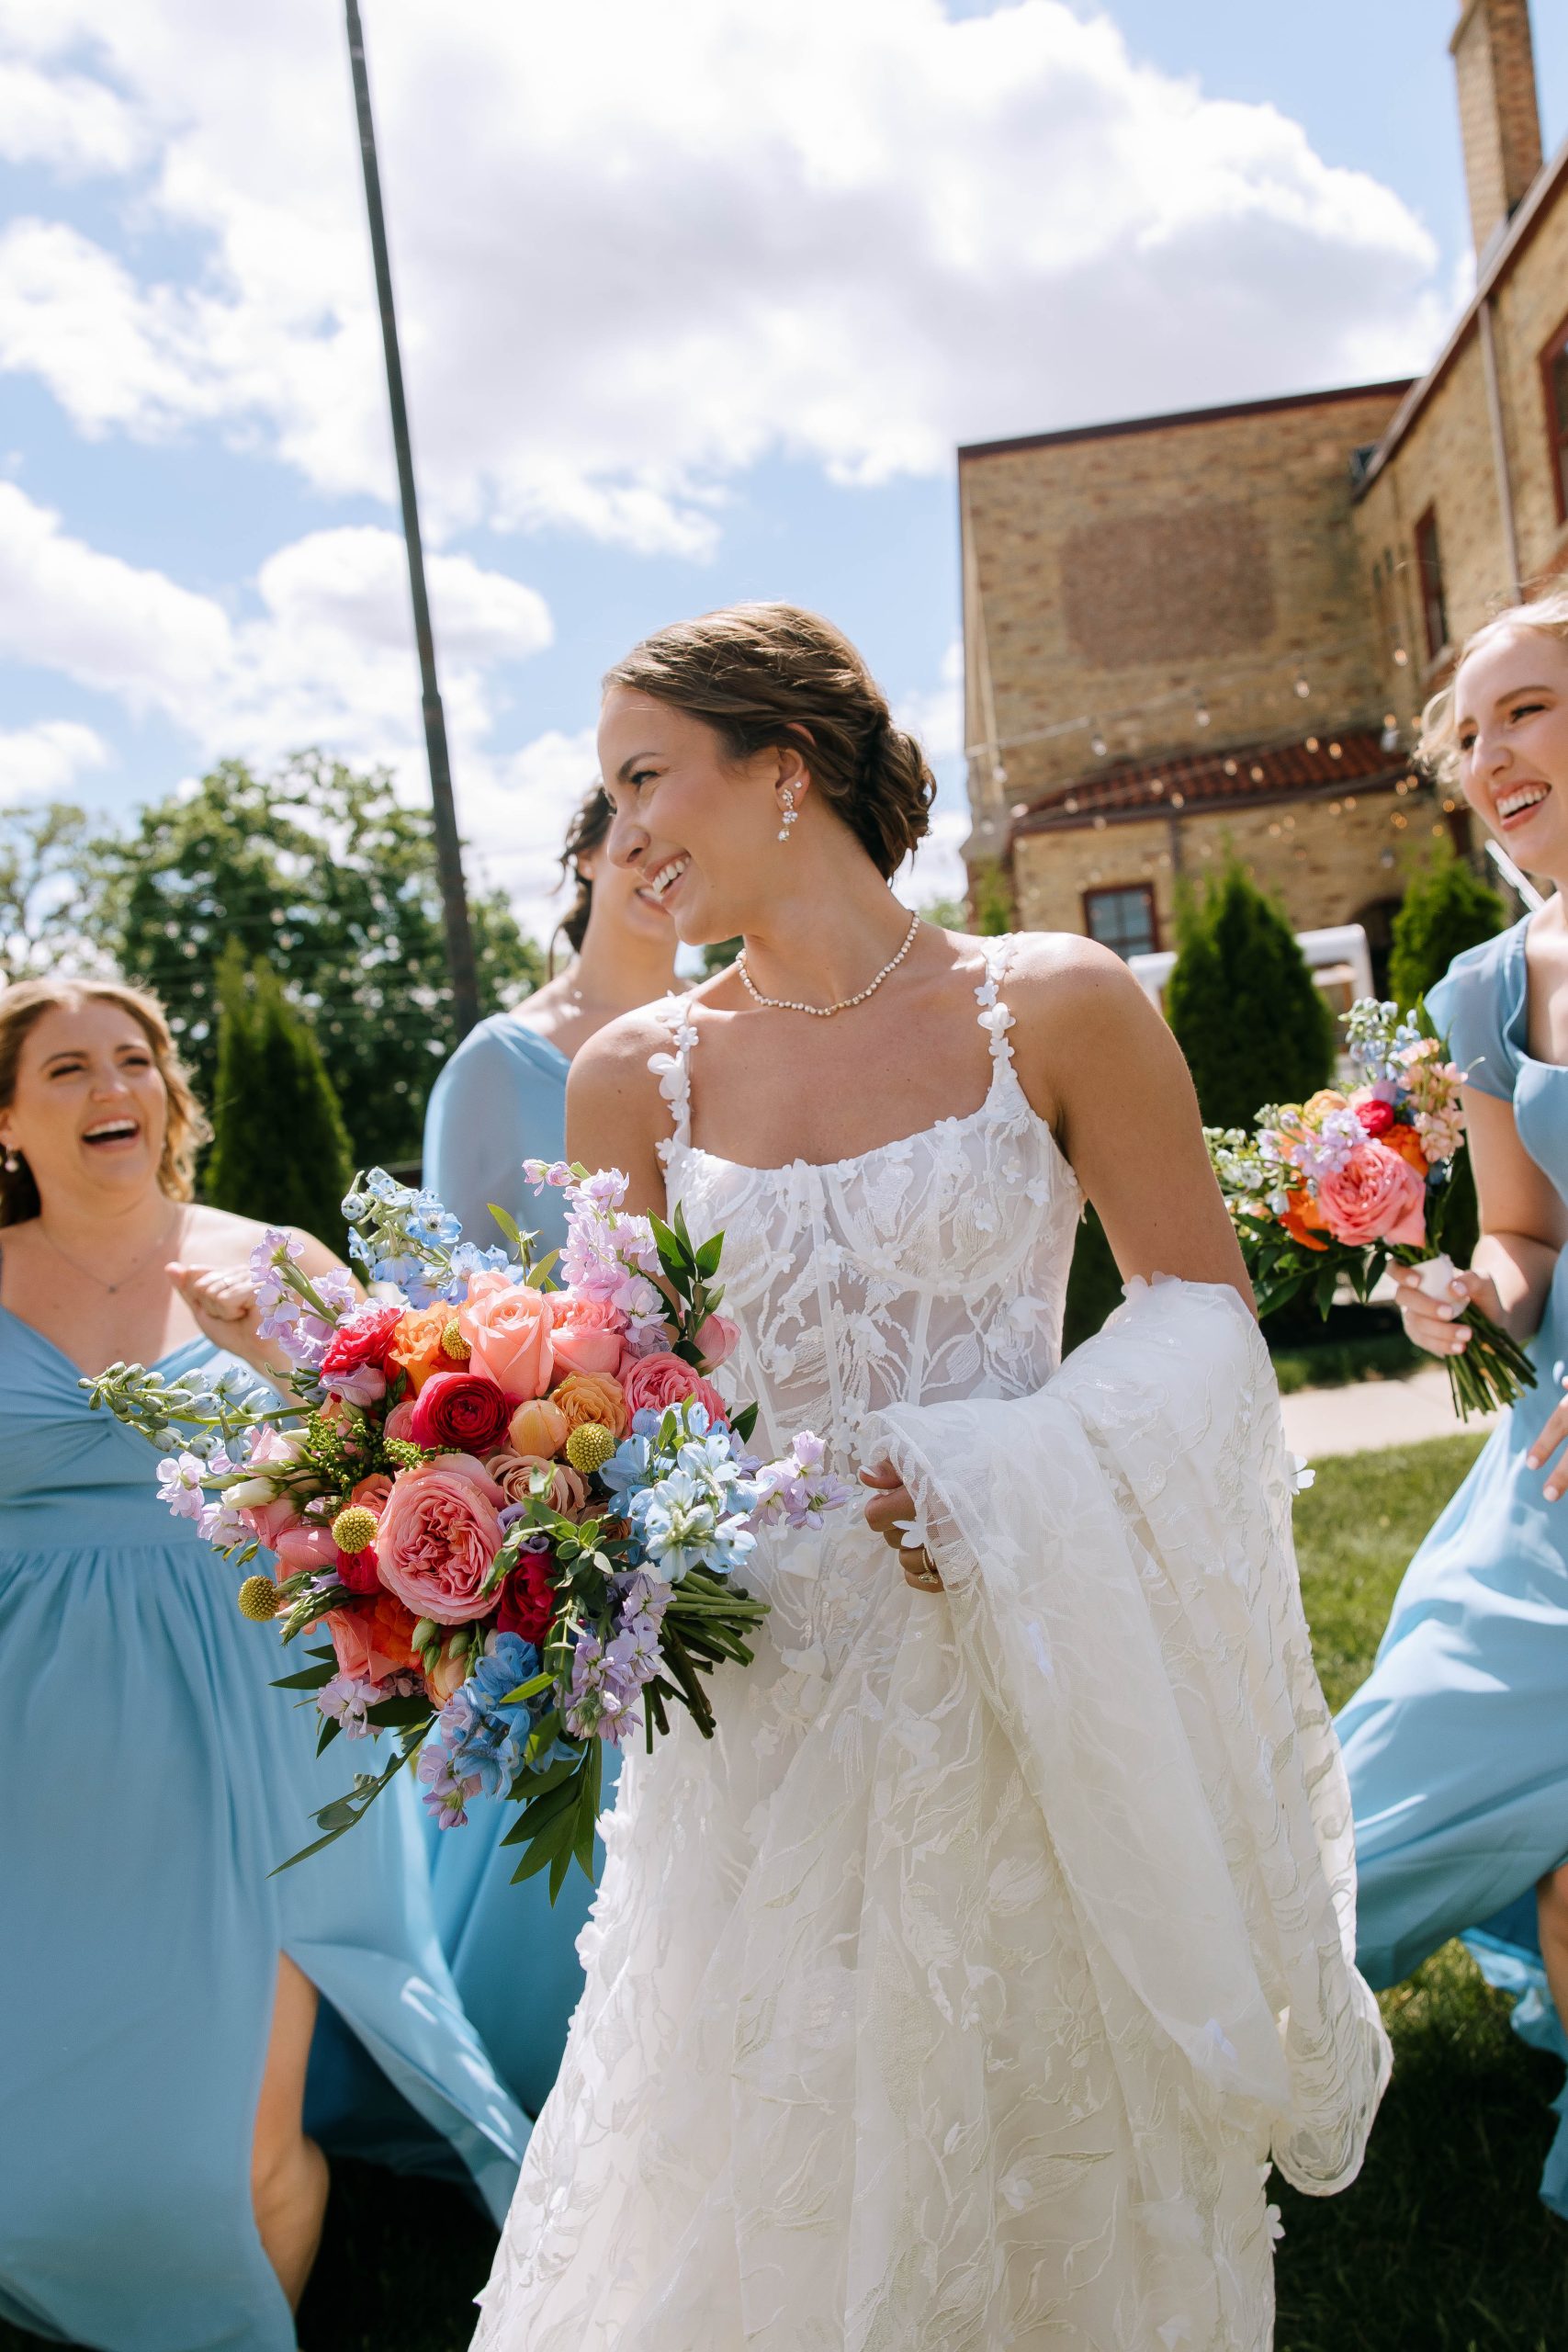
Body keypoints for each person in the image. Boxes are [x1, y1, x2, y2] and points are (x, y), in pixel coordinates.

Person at [473, 604, 1388, 2351]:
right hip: (756, 1715)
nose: (622, 836)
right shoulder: (625, 1081)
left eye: (646, 778)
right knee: (750, 2172)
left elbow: (1200, 1316)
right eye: (607, 796)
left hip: (1016, 1663)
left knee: (1030, 2149)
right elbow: (611, 1404)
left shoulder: (1049, 1000)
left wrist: (1005, 1472)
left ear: (785, 768)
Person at [0, 976, 525, 2352]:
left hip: (260, 1707)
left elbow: (405, 1470)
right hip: (39, 1730)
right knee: (51, 2092)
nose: (111, 1088)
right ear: (7, 1116)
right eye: (65, 1069)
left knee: (242, 2133)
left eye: (135, 1060)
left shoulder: (278, 1261)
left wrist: (284, 1366)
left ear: (171, 1098)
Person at [1338, 584, 1568, 2216]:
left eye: (1528, 710)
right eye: (1468, 730)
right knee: (1355, 1828)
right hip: (1542, 1476)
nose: (1490, 754)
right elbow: (1527, 1223)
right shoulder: (1488, 988)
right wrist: (1469, 1295)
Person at [421, 785, 676, 2124]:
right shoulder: (500, 1059)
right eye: (628, 843)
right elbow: (454, 1297)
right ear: (580, 861)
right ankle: (541, 2063)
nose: (654, 868)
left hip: (708, 1453)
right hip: (558, 1470)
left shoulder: (730, 1032)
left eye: (676, 850)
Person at [424, 785, 678, 1261]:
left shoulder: (740, 1025)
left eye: (690, 847)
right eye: (646, 837)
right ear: (588, 856)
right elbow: (445, 1284)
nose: (665, 862)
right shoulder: (495, 1062)